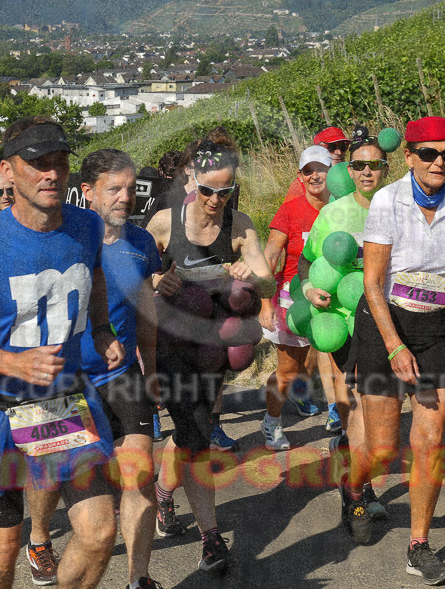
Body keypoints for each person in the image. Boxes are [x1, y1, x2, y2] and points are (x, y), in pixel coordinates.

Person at [0, 116, 124, 588]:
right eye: (36, 164)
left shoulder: (88, 226)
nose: (51, 173)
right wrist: (14, 362)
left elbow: (92, 275)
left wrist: (101, 328)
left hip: (60, 403)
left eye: (59, 163)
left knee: (98, 534)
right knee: (3, 547)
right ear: (8, 171)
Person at [351, 116, 445, 584]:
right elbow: (371, 283)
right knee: (383, 450)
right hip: (385, 322)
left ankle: (418, 547)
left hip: (435, 328)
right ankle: (355, 485)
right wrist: (392, 345)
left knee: (428, 442)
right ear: (409, 157)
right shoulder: (388, 201)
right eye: (428, 154)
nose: (439, 162)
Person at [32, 148, 163, 589]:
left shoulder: (143, 242)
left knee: (140, 473)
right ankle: (37, 538)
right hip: (64, 383)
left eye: (130, 188)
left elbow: (147, 316)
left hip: (121, 375)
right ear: (87, 191)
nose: (125, 197)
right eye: (114, 189)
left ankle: (137, 578)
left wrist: (154, 368)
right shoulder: (61, 241)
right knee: (53, 483)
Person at [147, 139, 276, 575]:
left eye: (225, 191)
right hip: (172, 348)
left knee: (188, 434)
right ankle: (211, 539)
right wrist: (158, 279)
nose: (216, 200)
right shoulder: (165, 223)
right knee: (197, 436)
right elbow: (135, 273)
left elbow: (269, 283)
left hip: (214, 349)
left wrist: (254, 278)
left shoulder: (239, 225)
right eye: (208, 190)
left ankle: (164, 497)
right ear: (190, 181)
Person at [299, 133, 392, 533]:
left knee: (380, 415)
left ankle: (356, 479)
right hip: (345, 324)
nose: (366, 171)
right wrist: (308, 290)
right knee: (354, 407)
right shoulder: (332, 215)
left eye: (374, 164)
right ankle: (357, 494)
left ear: (386, 169)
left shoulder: (398, 207)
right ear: (348, 170)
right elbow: (304, 265)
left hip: (388, 322)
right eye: (358, 165)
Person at [258, 145, 333, 450]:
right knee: (289, 370)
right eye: (308, 170)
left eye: (322, 168)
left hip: (333, 297)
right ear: (300, 177)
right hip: (292, 298)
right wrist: (264, 302)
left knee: (335, 365)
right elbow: (270, 255)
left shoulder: (343, 207)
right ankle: (271, 422)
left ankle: (339, 418)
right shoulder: (290, 210)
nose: (315, 175)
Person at [283, 126, 351, 203]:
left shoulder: (352, 175)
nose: (338, 152)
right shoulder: (303, 184)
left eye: (343, 147)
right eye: (332, 147)